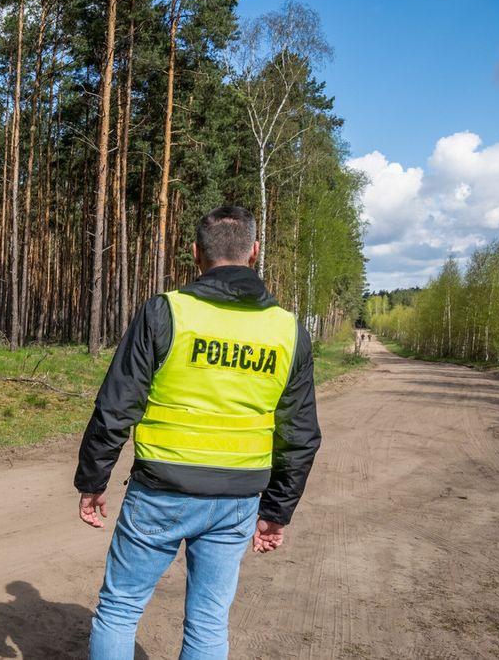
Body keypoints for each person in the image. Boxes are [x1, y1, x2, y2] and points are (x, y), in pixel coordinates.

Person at [76, 206, 321, 660]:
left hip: (161, 491)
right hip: (237, 501)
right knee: (209, 620)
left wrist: (93, 482)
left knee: (120, 608)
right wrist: (277, 511)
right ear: (254, 252)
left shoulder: (164, 312)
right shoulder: (288, 331)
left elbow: (115, 407)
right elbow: (301, 434)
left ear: (195, 254)